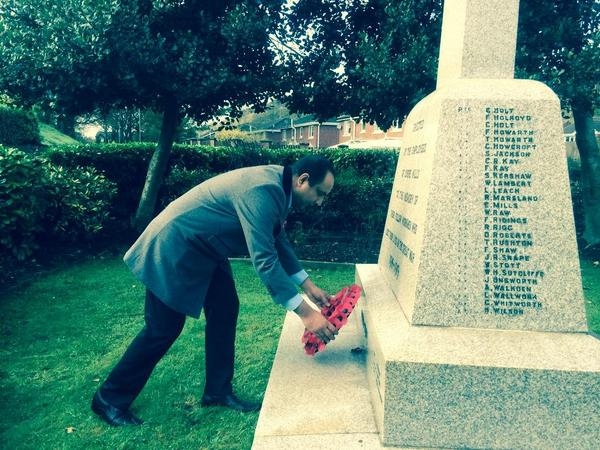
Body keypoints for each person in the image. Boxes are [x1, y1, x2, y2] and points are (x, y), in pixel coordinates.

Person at [91, 155, 338, 426]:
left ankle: (217, 391)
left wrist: (307, 284)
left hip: (207, 250)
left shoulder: (279, 187)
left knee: (224, 309)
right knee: (162, 328)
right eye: (320, 193)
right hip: (176, 244)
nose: (320, 202)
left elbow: (276, 236)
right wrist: (305, 313)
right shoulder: (263, 190)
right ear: (302, 180)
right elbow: (265, 260)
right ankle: (109, 399)